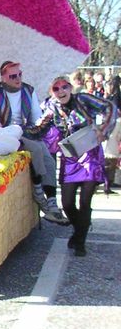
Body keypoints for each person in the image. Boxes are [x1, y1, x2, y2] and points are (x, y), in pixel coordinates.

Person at [0, 60, 67, 224]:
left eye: (19, 75)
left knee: (49, 161)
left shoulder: (28, 90)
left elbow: (36, 115)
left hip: (27, 131)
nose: (17, 79)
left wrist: (40, 125)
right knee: (36, 150)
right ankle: (39, 194)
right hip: (7, 133)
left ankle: (51, 202)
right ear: (3, 78)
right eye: (13, 76)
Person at [42, 76, 114, 256]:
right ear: (52, 92)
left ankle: (80, 241)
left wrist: (103, 129)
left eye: (65, 87)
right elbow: (40, 127)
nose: (61, 91)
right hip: (70, 158)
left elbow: (109, 107)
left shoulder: (82, 99)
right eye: (56, 89)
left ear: (71, 87)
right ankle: (80, 228)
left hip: (90, 155)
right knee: (66, 203)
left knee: (84, 201)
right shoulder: (50, 107)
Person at [102, 74, 121, 193]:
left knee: (110, 156)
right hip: (112, 125)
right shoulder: (113, 96)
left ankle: (108, 182)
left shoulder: (113, 96)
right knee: (110, 156)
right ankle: (107, 183)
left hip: (112, 124)